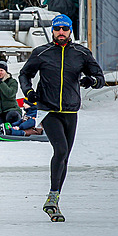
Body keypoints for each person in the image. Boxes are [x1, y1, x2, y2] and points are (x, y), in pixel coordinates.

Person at [19, 14, 104, 222]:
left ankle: (54, 200)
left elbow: (100, 78)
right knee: (61, 150)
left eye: (65, 29)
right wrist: (29, 92)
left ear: (70, 31)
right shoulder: (43, 52)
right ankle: (52, 197)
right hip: (48, 110)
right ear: (53, 31)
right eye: (57, 29)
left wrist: (90, 81)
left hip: (70, 110)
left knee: (65, 157)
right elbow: (24, 74)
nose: (61, 32)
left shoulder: (81, 53)